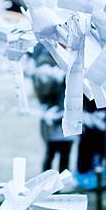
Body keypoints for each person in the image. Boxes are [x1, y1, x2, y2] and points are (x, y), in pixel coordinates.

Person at [31, 43, 74, 172]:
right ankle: (46, 185)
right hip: (52, 117)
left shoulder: (70, 57)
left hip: (68, 115)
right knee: (51, 154)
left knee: (65, 155)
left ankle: (62, 184)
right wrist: (55, 78)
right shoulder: (45, 60)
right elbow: (43, 91)